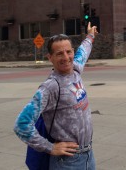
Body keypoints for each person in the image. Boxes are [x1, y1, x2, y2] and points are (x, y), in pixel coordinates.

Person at [14, 22, 98, 170]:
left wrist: (90, 36)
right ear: (50, 57)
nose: (66, 57)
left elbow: (83, 52)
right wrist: (50, 147)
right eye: (59, 53)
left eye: (68, 52)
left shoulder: (76, 69)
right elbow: (21, 125)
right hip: (66, 162)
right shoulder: (51, 87)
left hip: (88, 156)